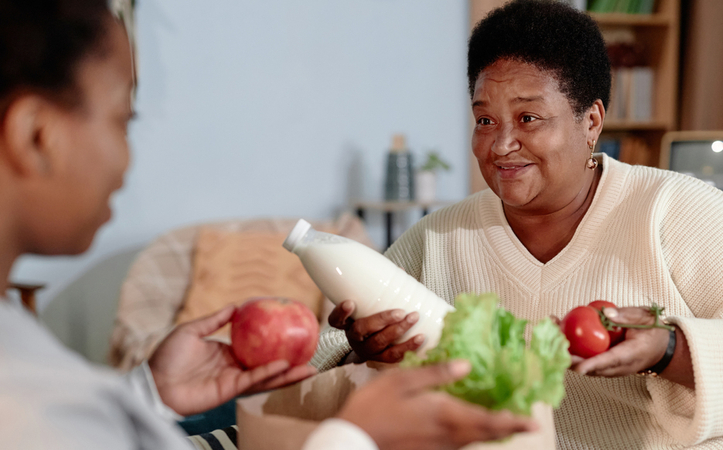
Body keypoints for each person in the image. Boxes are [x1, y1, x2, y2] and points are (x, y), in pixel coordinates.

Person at [0, 1, 536, 449]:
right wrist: (353, 435)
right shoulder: (36, 402)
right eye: (123, 119)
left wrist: (148, 394)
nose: (125, 158)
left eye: (529, 118)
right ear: (35, 136)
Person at [321, 0, 723, 448]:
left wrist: (669, 348)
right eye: (484, 120)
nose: (501, 144)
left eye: (528, 118)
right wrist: (365, 356)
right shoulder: (438, 237)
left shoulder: (677, 211)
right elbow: (328, 363)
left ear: (591, 121)